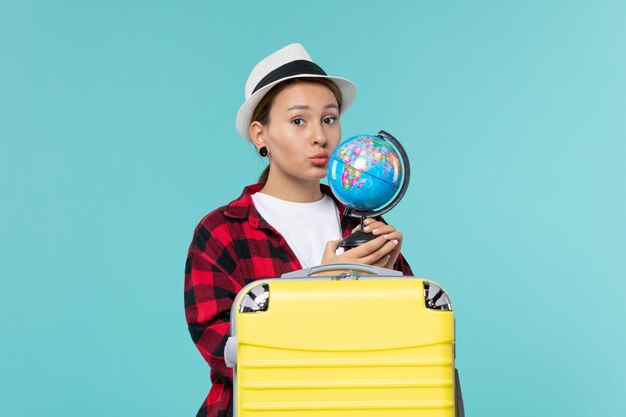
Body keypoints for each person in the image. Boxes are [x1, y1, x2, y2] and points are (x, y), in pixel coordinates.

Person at [184, 43, 413, 417]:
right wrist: (319, 288)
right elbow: (225, 351)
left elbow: (406, 343)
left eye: (329, 118)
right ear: (260, 135)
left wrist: (394, 286)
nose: (320, 137)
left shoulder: (364, 224)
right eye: (298, 121)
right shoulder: (223, 233)